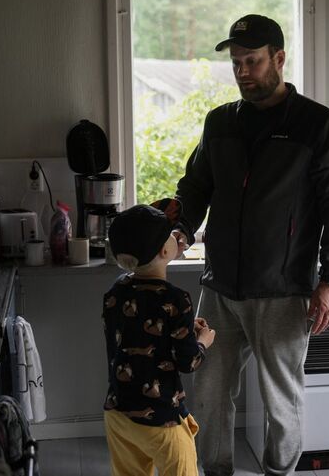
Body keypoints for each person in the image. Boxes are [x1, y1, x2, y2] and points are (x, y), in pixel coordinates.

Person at [174, 14, 329, 476]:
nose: (242, 72)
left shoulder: (319, 125)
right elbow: (195, 188)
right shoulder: (220, 123)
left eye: (252, 61)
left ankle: (279, 471)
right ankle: (215, 471)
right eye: (236, 62)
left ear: (278, 58)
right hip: (219, 291)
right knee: (210, 393)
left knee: (280, 400)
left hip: (283, 290)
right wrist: (177, 233)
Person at [102, 199, 216, 476]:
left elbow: (133, 332)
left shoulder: (116, 292)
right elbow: (188, 362)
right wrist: (202, 340)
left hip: (118, 412)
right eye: (172, 234)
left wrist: (185, 327)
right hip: (162, 416)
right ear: (166, 250)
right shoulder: (177, 300)